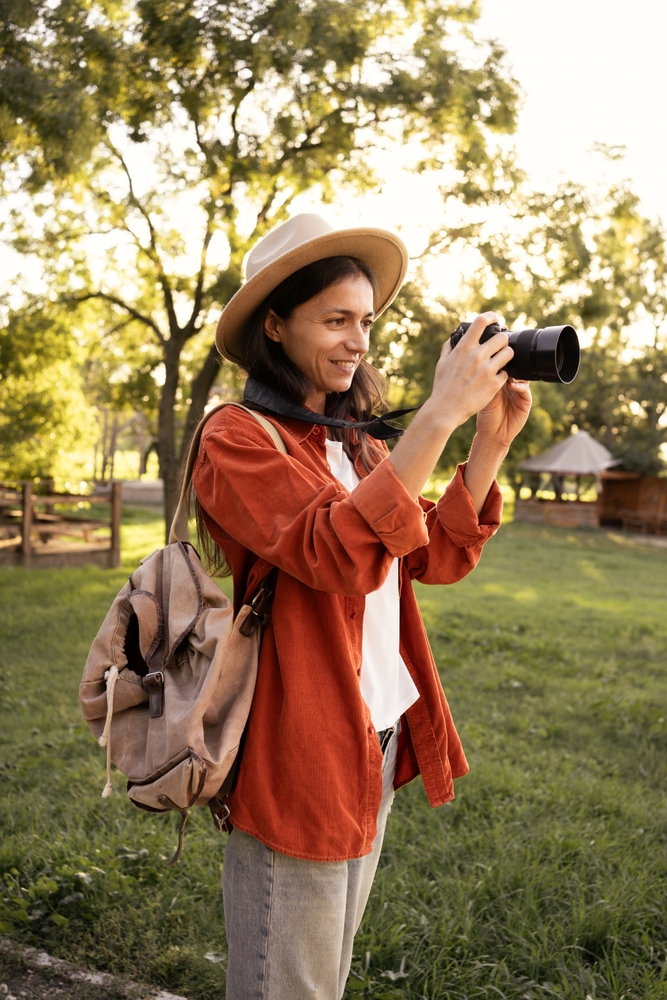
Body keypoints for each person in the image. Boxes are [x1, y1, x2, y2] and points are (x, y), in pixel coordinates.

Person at [191, 213, 532, 1000]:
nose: (357, 341)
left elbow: (432, 558)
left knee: (325, 980)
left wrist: (487, 440)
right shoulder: (236, 438)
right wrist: (437, 415)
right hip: (297, 746)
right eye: (335, 320)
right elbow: (336, 552)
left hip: (371, 740)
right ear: (274, 326)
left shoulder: (359, 444)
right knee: (291, 988)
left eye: (366, 321)